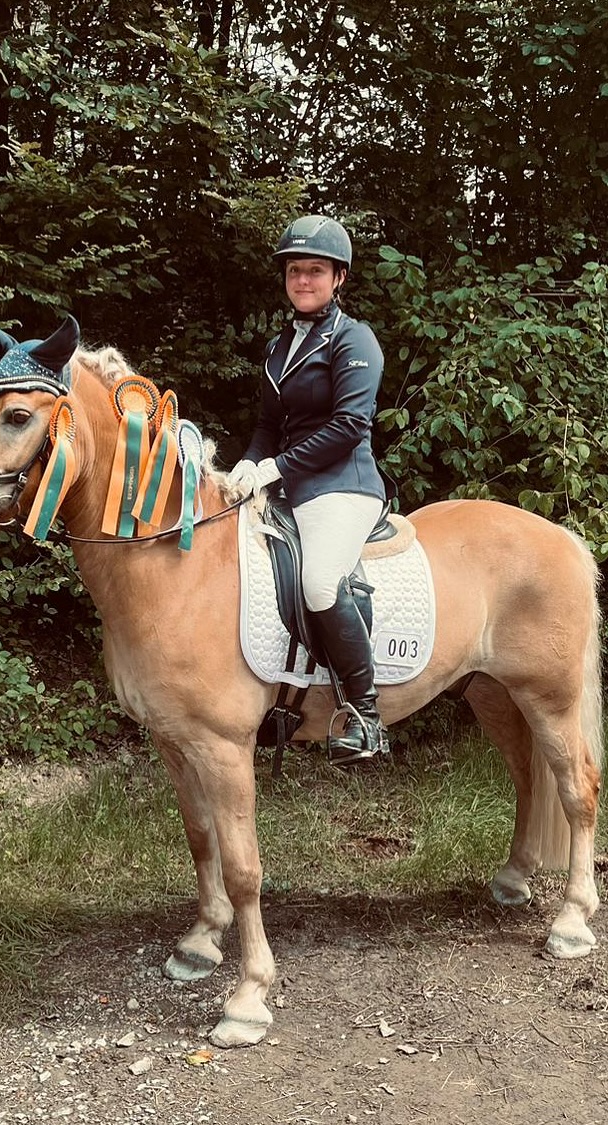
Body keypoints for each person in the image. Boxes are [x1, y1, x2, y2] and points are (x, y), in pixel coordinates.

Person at [228, 214, 390, 764]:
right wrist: (248, 466)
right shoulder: (279, 348)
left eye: (315, 271)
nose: (303, 280)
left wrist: (276, 469)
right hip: (290, 483)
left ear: (338, 278)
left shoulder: (355, 339)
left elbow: (349, 427)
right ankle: (276, 697)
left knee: (320, 582)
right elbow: (268, 426)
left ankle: (365, 716)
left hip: (344, 484)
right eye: (295, 271)